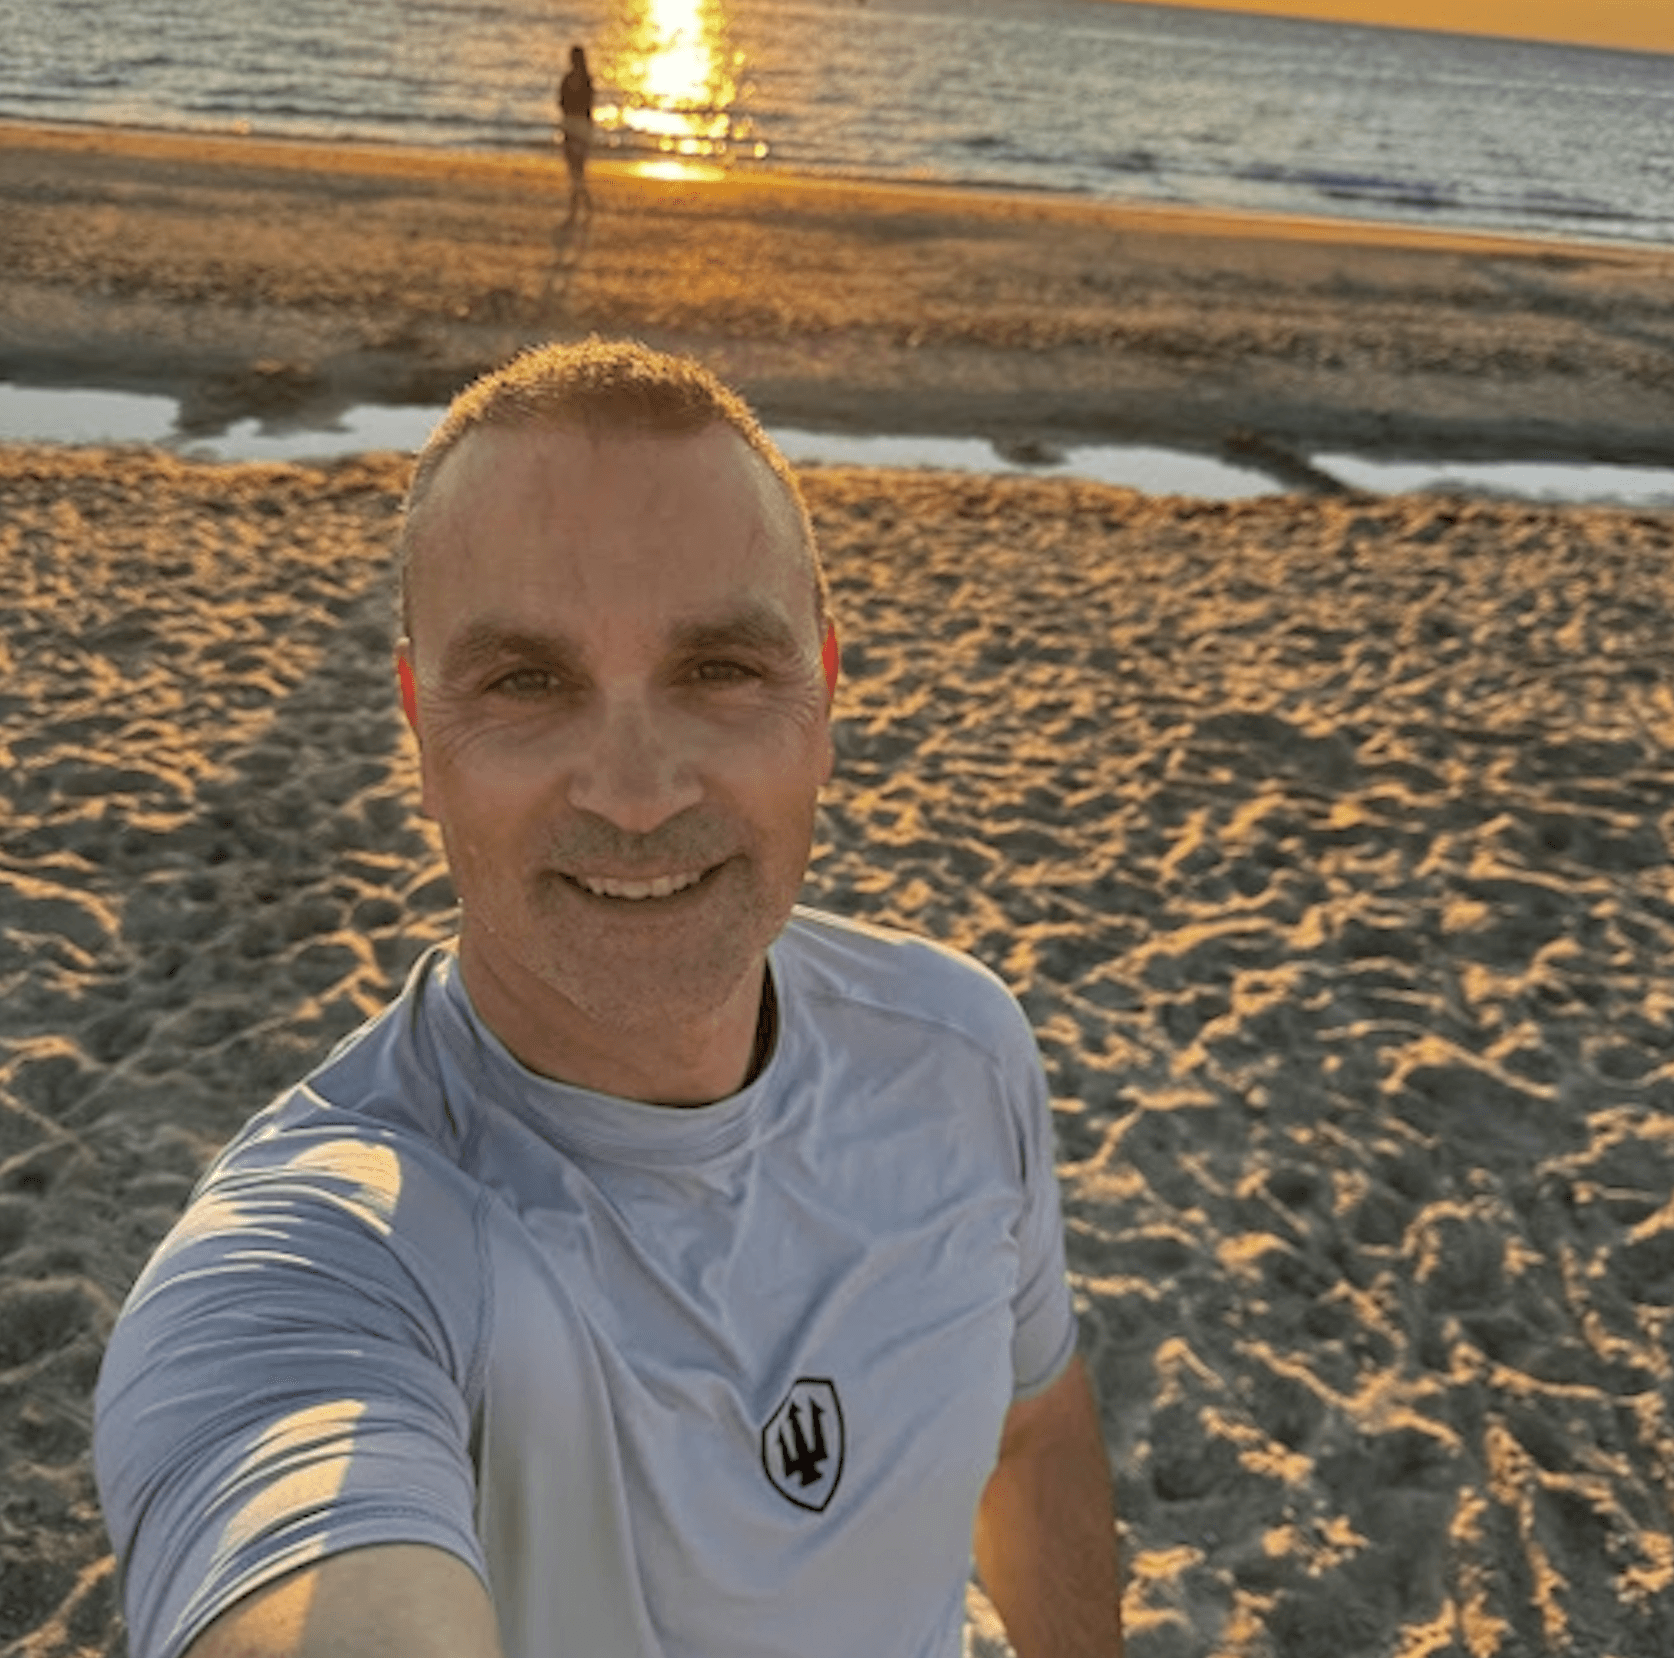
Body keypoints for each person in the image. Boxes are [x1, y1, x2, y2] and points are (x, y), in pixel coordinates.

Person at [93, 339, 1125, 1658]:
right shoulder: (325, 1256)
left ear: (822, 690)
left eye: (718, 670)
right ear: (418, 722)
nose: (635, 795)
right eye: (528, 681)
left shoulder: (957, 1046)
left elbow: (1029, 1424)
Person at [557, 44, 594, 220]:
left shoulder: (569, 79)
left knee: (573, 166)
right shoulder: (587, 80)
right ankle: (581, 199)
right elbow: (589, 106)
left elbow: (561, 102)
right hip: (582, 126)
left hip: (572, 124)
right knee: (578, 167)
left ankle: (580, 200)